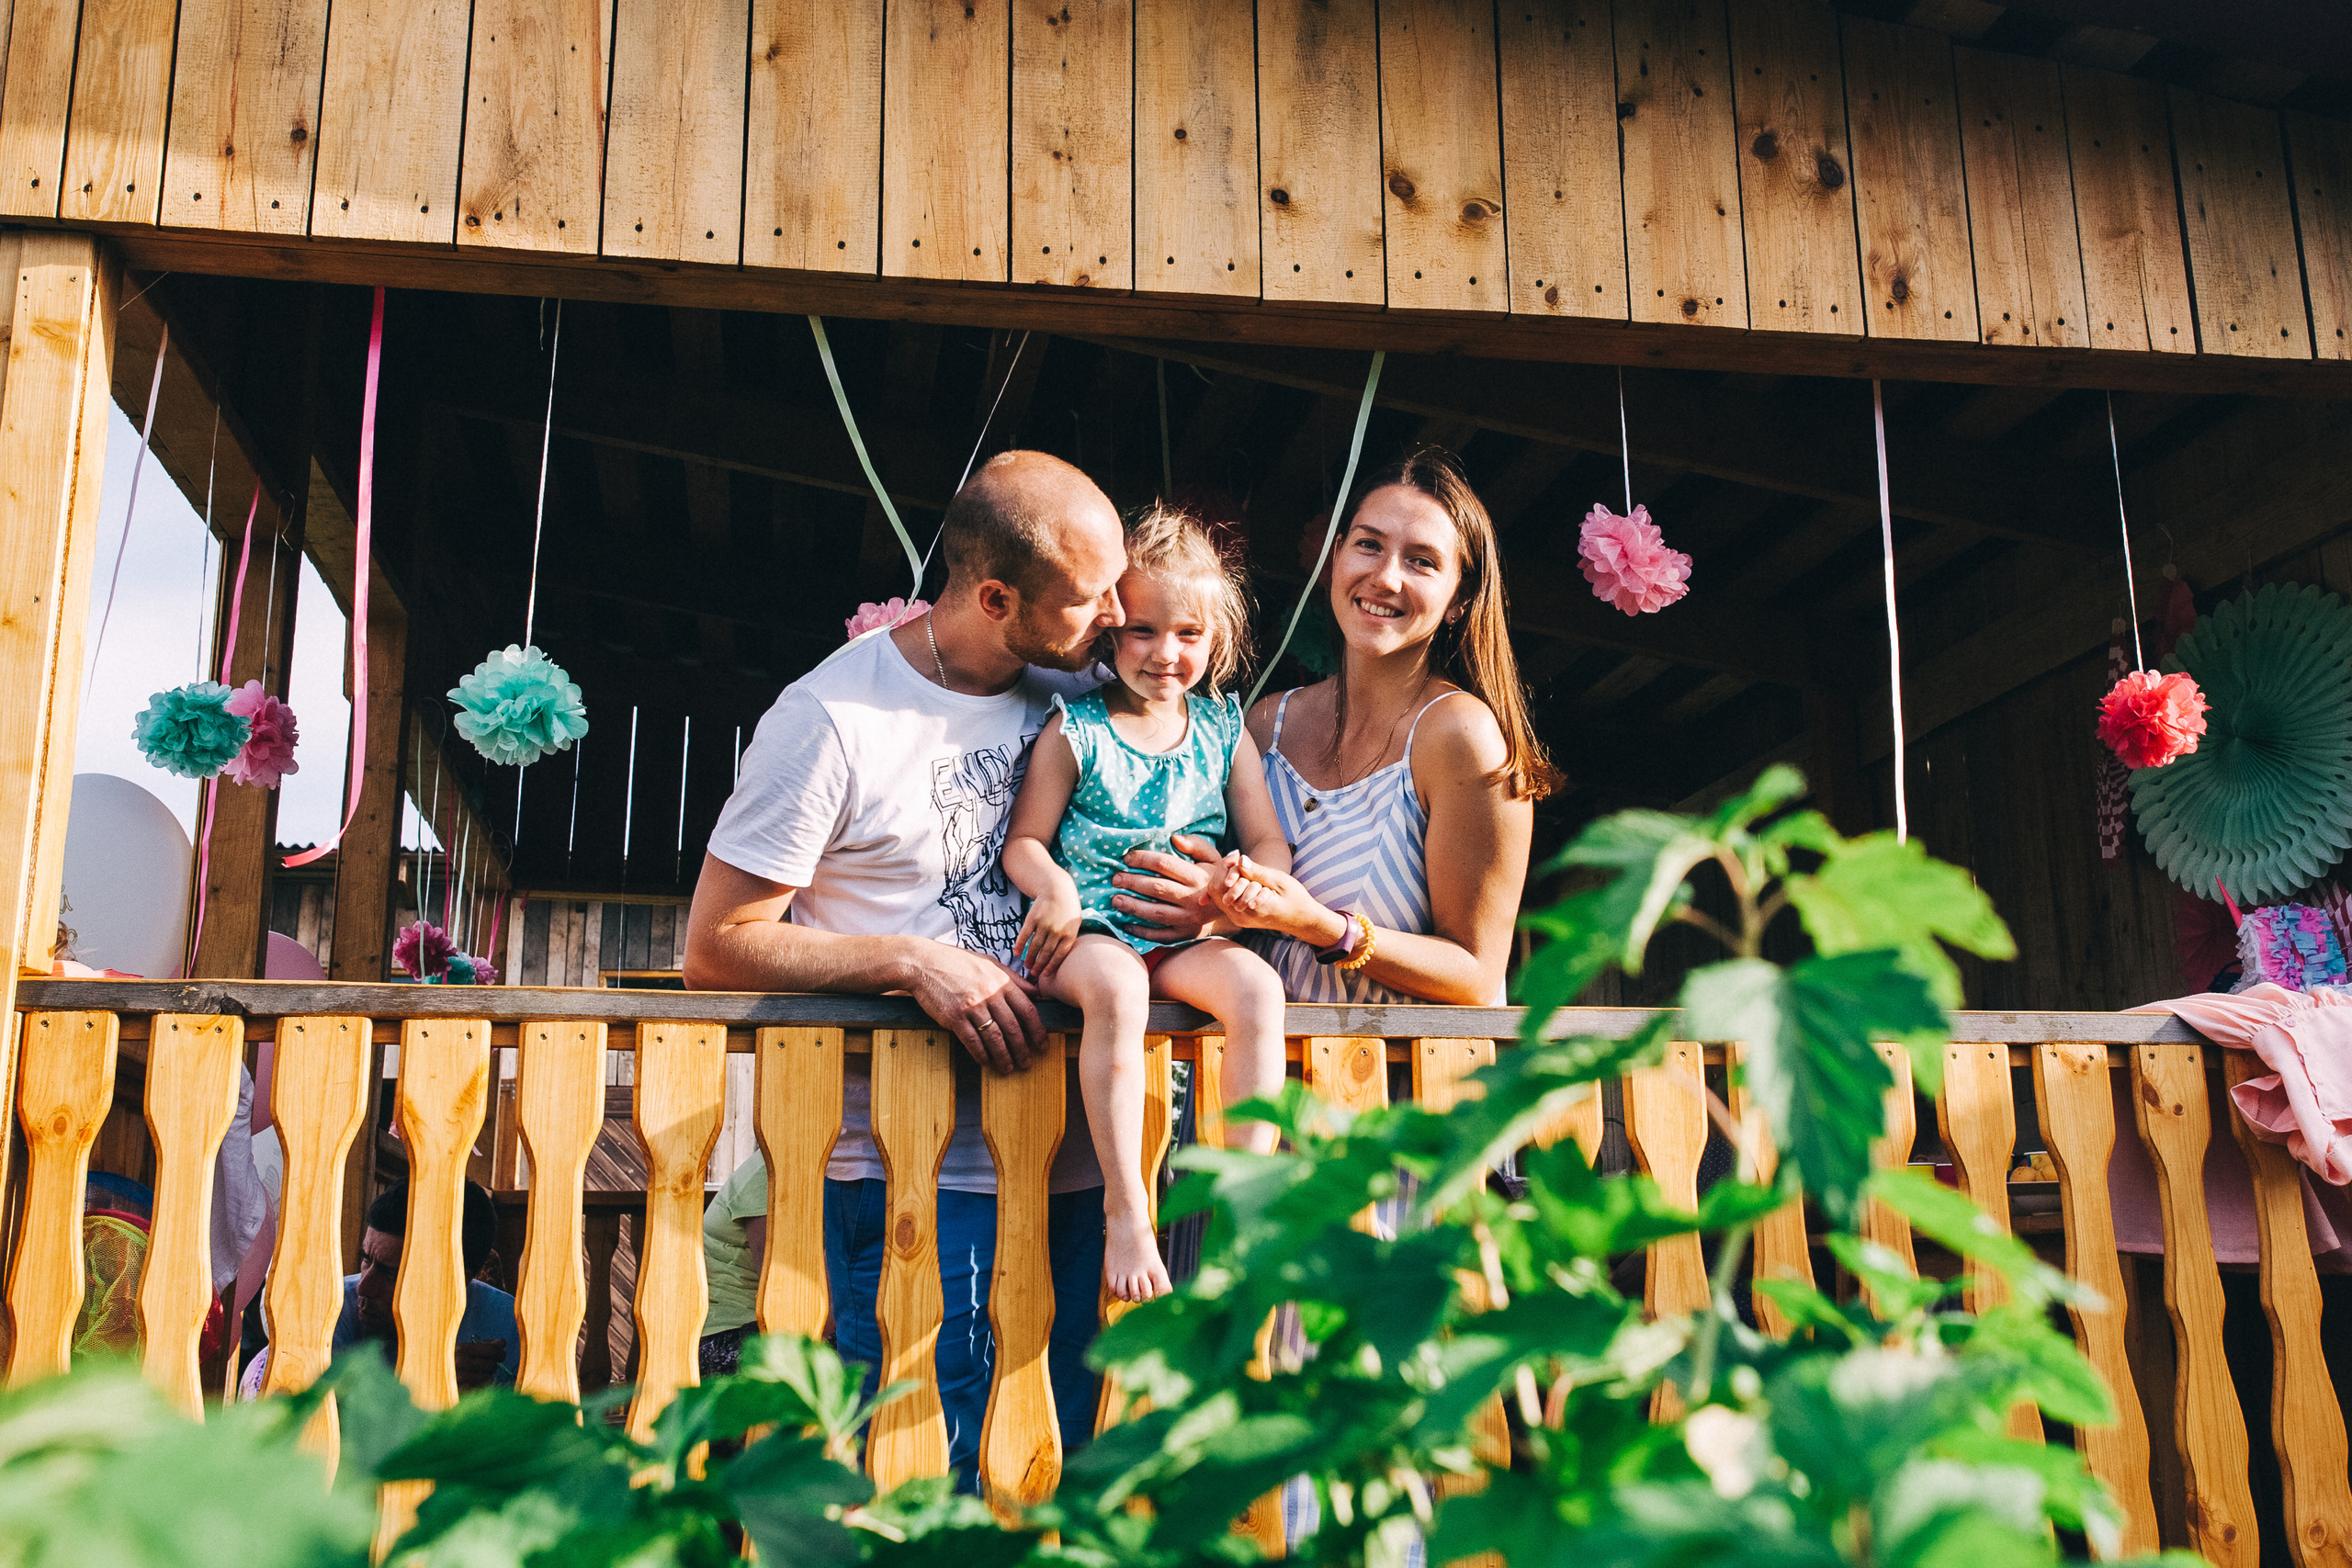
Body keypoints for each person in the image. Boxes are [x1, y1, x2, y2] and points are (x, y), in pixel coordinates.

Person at [686, 449, 1159, 1480]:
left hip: (1074, 1175)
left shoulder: (1083, 698)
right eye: (1093, 597)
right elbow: (716, 947)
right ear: (996, 597)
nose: (1124, 614)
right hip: (911, 1168)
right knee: (915, 1478)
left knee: (1051, 1476)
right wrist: (910, 961)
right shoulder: (831, 720)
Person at [1002, 505, 1291, 1302]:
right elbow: (1025, 840)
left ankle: (1244, 1198)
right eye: (1144, 631)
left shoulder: (1222, 730)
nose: (1167, 654)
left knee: (1259, 991)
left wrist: (1235, 896)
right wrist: (1055, 888)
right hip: (1092, 928)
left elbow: (1270, 843)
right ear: (1108, 630)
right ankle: (1128, 1207)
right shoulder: (1076, 730)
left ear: (1216, 640)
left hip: (1185, 933)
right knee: (1121, 991)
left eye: (1190, 634)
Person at [1206, 447, 1561, 1007]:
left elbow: (1476, 974)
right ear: (1335, 559)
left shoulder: (1459, 736)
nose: (1385, 577)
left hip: (1398, 1083)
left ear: (1459, 601)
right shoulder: (1264, 722)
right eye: (1368, 544)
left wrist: (1325, 927)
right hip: (1249, 1088)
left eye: (1422, 561)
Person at [241, 1179, 519, 1398]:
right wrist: (430, 1385)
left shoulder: (512, 1327)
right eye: (365, 1260)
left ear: (455, 1282)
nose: (365, 1287)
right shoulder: (325, 1314)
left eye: (389, 1274)